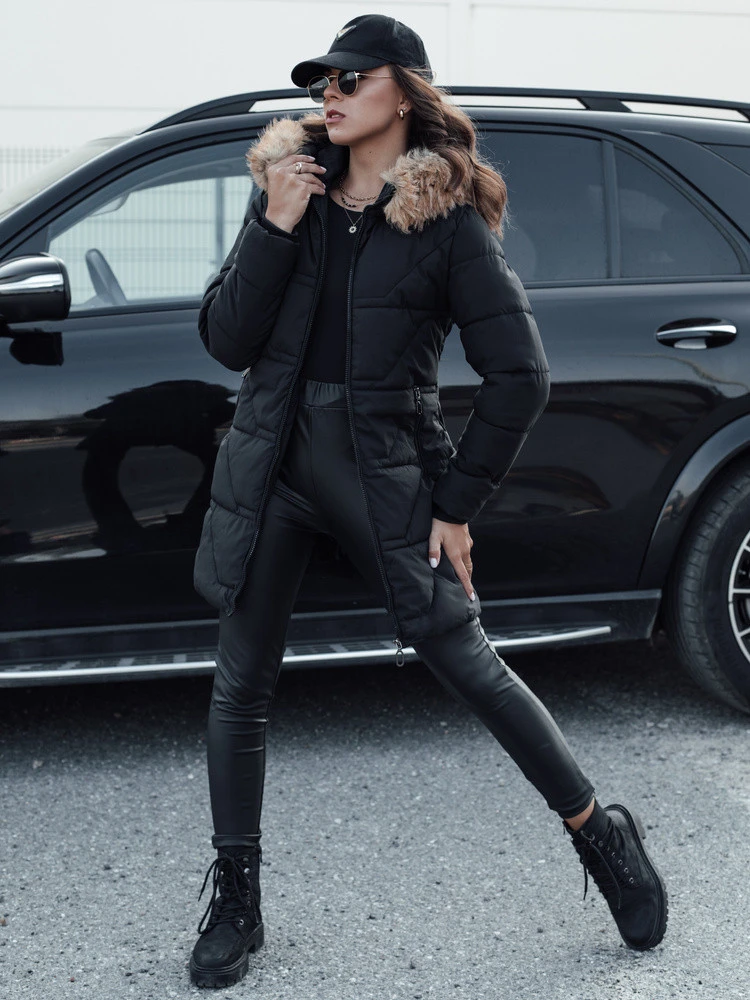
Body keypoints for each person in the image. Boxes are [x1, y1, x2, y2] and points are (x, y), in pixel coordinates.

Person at [188, 13, 668, 989]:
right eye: (320, 80)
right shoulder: (287, 190)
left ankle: (600, 834)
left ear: (404, 92)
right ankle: (238, 897)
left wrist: (455, 503)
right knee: (240, 683)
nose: (328, 93)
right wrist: (274, 224)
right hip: (272, 462)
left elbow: (520, 375)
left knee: (468, 663)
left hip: (383, 469)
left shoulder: (443, 223)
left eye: (349, 77)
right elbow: (227, 339)